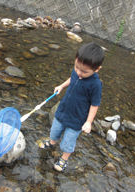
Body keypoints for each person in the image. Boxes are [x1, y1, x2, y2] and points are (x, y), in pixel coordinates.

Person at [39, 42, 104, 172]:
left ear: (97, 69)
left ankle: (64, 158)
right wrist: (61, 86)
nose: (79, 73)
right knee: (54, 131)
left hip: (77, 119)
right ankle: (52, 143)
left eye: (84, 72)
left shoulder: (96, 84)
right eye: (76, 67)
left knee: (68, 141)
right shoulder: (77, 71)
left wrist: (89, 122)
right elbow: (72, 78)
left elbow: (94, 104)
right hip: (63, 111)